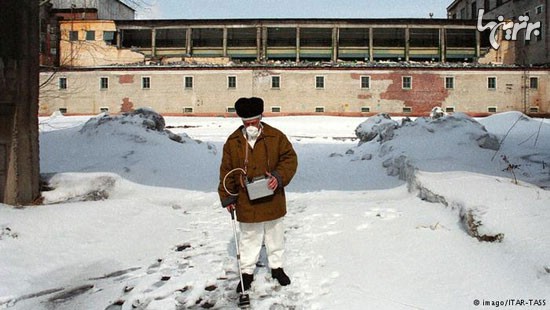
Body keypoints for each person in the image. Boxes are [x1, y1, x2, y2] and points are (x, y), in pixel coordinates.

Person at [218, 97, 298, 293]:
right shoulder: (233, 142)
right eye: (247, 123)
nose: (251, 126)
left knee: (275, 234)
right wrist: (228, 196)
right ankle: (246, 273)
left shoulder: (276, 137)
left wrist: (278, 177)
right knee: (249, 237)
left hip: (272, 196)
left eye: (254, 122)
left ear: (261, 118)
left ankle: (277, 268)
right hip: (246, 200)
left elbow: (290, 159)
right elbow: (226, 170)